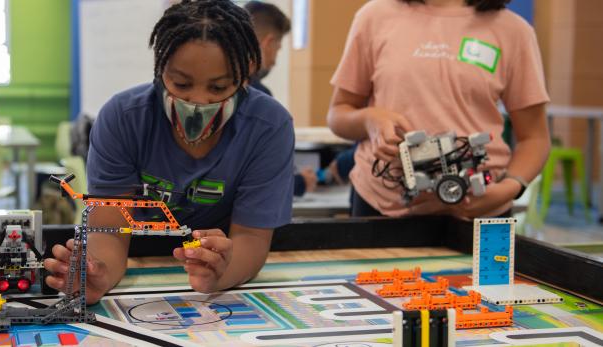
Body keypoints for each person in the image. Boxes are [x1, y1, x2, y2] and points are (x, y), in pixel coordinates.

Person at [44, 0, 294, 303]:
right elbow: (109, 229)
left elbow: (251, 239)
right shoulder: (123, 119)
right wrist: (99, 274)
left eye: (218, 88)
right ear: (159, 70)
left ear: (244, 78)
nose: (198, 101)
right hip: (137, 260)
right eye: (181, 83)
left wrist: (222, 273)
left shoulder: (268, 127)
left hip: (223, 263)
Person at [327, 0, 550, 219]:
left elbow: (534, 138)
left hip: (484, 209)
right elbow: (338, 113)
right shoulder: (374, 16)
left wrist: (510, 188)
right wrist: (370, 120)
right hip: (382, 204)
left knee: (493, 259)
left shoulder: (514, 30)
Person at [244, 1, 316, 196]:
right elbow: (263, 176)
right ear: (268, 43)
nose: (275, 60)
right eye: (278, 47)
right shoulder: (259, 99)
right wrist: (299, 183)